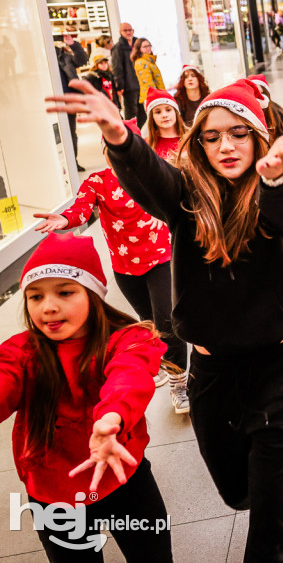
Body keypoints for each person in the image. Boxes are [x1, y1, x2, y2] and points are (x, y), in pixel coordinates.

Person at [47, 76, 283, 560]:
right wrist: (117, 134)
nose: (225, 145)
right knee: (236, 489)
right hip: (213, 372)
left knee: (268, 501)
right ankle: (266, 504)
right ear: (198, 143)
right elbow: (151, 176)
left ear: (258, 136)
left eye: (238, 133)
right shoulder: (186, 197)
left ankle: (273, 514)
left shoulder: (281, 187)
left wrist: (274, 177)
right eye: (212, 136)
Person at [1, 232, 172, 560]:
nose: (48, 307)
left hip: (125, 481)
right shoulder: (20, 353)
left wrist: (111, 418)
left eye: (65, 292)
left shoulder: (126, 339)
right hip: (56, 497)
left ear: (93, 295)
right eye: (35, 297)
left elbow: (130, 374)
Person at [33, 118, 188, 413]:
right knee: (150, 322)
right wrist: (64, 220)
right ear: (105, 151)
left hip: (160, 258)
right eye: (110, 147)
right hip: (126, 267)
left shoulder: (153, 176)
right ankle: (162, 362)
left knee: (167, 320)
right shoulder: (97, 182)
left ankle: (179, 381)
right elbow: (80, 209)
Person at [56, 34, 89, 172]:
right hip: (51, 102)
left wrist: (73, 44)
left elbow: (82, 60)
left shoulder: (64, 57)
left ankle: (72, 162)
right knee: (57, 134)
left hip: (68, 100)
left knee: (71, 132)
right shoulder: (38, 58)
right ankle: (60, 165)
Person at [131, 38, 163, 130]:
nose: (148, 48)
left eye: (149, 45)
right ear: (139, 49)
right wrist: (158, 96)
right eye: (145, 46)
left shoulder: (149, 61)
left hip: (154, 95)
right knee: (151, 126)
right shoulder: (141, 62)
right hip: (151, 97)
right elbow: (148, 83)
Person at [111, 22, 140, 121]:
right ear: (120, 32)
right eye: (125, 30)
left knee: (142, 112)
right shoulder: (118, 48)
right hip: (129, 86)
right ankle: (131, 133)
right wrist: (120, 86)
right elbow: (117, 68)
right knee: (131, 112)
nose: (128, 32)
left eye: (129, 30)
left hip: (141, 83)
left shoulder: (138, 44)